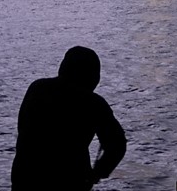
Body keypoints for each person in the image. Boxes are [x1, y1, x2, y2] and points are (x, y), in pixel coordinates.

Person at [11, 46, 127, 191]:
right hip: (71, 183)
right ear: (92, 76)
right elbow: (117, 145)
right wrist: (98, 172)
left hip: (26, 180)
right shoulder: (94, 104)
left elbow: (23, 128)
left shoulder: (37, 89)